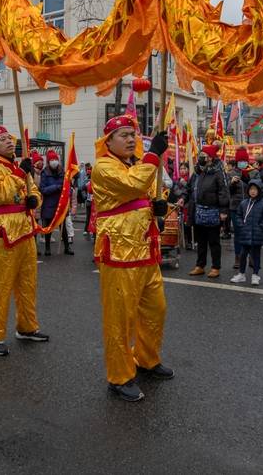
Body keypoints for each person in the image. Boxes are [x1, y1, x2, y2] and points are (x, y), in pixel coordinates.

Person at [92, 115, 172, 401]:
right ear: (108, 141)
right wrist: (153, 155)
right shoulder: (103, 166)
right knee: (119, 318)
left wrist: (156, 207)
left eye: (132, 134)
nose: (130, 139)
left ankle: (147, 358)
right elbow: (132, 186)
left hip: (145, 250)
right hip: (119, 252)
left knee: (155, 309)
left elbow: (143, 194)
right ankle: (119, 375)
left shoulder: (136, 165)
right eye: (123, 135)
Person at [0, 126, 47, 356]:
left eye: (10, 138)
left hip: (25, 230)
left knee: (28, 284)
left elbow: (35, 191)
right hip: (3, 233)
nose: (8, 141)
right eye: (2, 139)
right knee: (0, 286)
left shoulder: (20, 167)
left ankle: (27, 327)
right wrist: (20, 175)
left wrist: (33, 200)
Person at [187, 145, 230, 278]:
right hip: (199, 210)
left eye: (203, 155)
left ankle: (215, 267)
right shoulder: (201, 171)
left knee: (214, 241)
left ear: (210, 158)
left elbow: (223, 191)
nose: (201, 157)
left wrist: (223, 210)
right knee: (201, 241)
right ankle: (200, 265)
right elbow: (191, 187)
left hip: (213, 211)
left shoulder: (218, 172)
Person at [231, 179, 263, 285]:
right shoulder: (244, 203)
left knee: (256, 255)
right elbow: (238, 215)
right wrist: (241, 226)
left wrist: (261, 226)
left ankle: (255, 275)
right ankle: (241, 274)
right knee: (243, 254)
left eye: (255, 189)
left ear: (259, 190)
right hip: (245, 233)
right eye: (251, 189)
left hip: (257, 234)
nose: (252, 191)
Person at [38, 149, 71, 256]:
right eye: (52, 160)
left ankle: (67, 247)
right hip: (49, 205)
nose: (54, 161)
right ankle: (47, 248)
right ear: (48, 161)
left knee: (63, 228)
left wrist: (67, 190)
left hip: (60, 205)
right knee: (49, 228)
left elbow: (68, 187)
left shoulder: (63, 172)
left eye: (55, 159)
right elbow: (43, 189)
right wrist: (56, 187)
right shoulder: (44, 173)